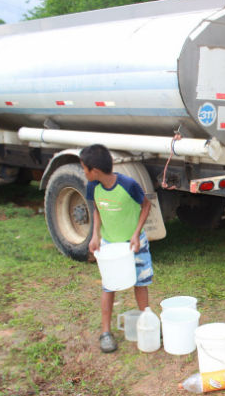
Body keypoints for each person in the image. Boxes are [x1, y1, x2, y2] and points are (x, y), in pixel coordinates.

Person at [80, 144, 154, 353]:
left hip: (134, 243)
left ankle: (146, 323)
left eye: (84, 168)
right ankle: (105, 332)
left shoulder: (128, 184)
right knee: (108, 285)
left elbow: (146, 205)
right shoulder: (92, 186)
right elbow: (96, 209)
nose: (83, 172)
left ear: (94, 170)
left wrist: (135, 233)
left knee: (140, 283)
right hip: (110, 245)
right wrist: (95, 235)